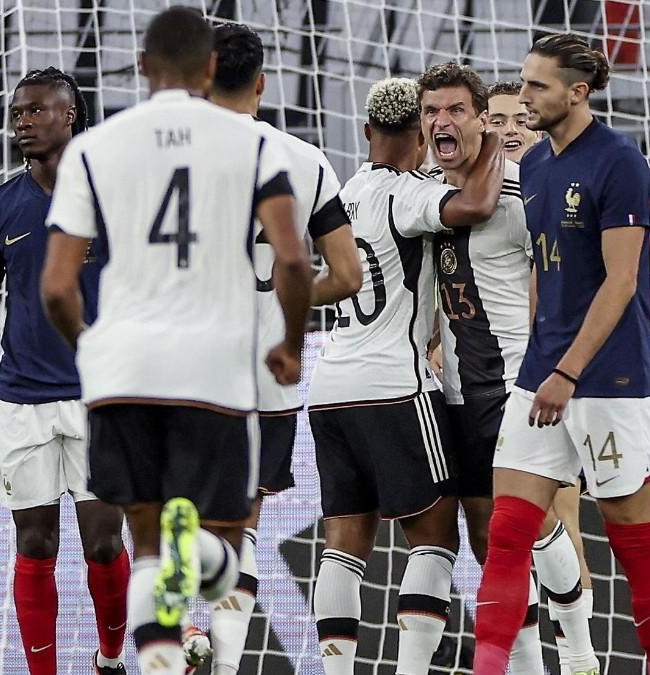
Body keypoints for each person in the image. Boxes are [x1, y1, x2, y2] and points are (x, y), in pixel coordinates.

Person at [40, 8, 312, 675]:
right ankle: (198, 569)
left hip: (125, 370)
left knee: (150, 539)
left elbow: (56, 287)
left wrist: (91, 349)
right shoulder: (252, 143)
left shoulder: (94, 148)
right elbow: (295, 262)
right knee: (220, 550)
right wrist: (293, 345)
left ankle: (160, 651)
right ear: (212, 67)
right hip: (214, 371)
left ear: (139, 65)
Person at [472, 33, 650, 675]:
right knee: (508, 531)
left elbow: (622, 280)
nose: (524, 96)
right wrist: (543, 361)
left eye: (537, 86)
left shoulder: (619, 161)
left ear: (577, 91)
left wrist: (568, 370)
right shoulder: (532, 166)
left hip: (608, 378)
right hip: (542, 374)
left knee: (633, 542)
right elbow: (545, 274)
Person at [177, 22, 361, 675]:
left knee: (175, 512)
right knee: (240, 524)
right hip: (266, 373)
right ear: (261, 82)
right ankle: (223, 662)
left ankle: (174, 646)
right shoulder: (305, 159)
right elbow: (346, 275)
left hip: (182, 369)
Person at [306, 75, 503, 675]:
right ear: (420, 132)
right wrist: (492, 142)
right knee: (436, 536)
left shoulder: (340, 195)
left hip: (329, 386)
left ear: (366, 132)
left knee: (344, 545)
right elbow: (475, 205)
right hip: (395, 385)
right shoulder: (408, 194)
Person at [421, 64, 596, 673]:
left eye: (458, 112)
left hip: (519, 384)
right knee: (483, 536)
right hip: (456, 393)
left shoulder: (524, 196)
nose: (444, 124)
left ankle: (577, 652)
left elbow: (570, 280)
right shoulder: (426, 197)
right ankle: (525, 665)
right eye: (432, 113)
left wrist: (574, 367)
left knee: (529, 525)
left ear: (478, 124)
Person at [0, 66, 129, 675]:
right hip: (22, 401)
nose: (22, 122)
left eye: (36, 111)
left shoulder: (114, 199)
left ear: (71, 115)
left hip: (100, 397)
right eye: (17, 113)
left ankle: (110, 657)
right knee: (35, 542)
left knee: (104, 541)